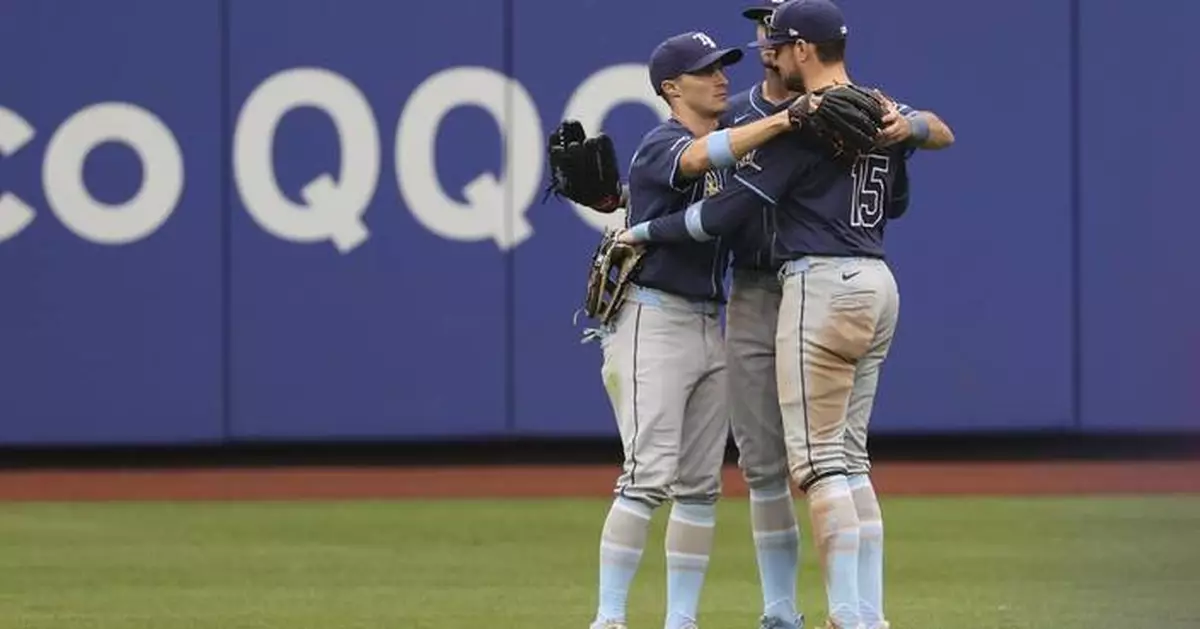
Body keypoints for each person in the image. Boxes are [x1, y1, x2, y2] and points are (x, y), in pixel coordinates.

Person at [618, 2, 955, 627]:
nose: (765, 40)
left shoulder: (837, 113)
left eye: (776, 30)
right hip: (769, 286)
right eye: (762, 28)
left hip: (812, 285)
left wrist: (641, 232)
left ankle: (854, 615)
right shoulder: (760, 112)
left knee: (824, 463)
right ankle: (791, 613)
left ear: (801, 45)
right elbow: (898, 194)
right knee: (774, 463)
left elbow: (935, 128)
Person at [587, 30, 804, 629]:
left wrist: (623, 198)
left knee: (701, 485)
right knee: (647, 474)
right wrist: (786, 122)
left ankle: (680, 620)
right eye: (705, 70)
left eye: (722, 66)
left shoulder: (714, 140)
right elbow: (698, 163)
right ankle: (608, 618)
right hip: (651, 318)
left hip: (711, 319)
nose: (721, 77)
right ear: (671, 87)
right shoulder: (665, 142)